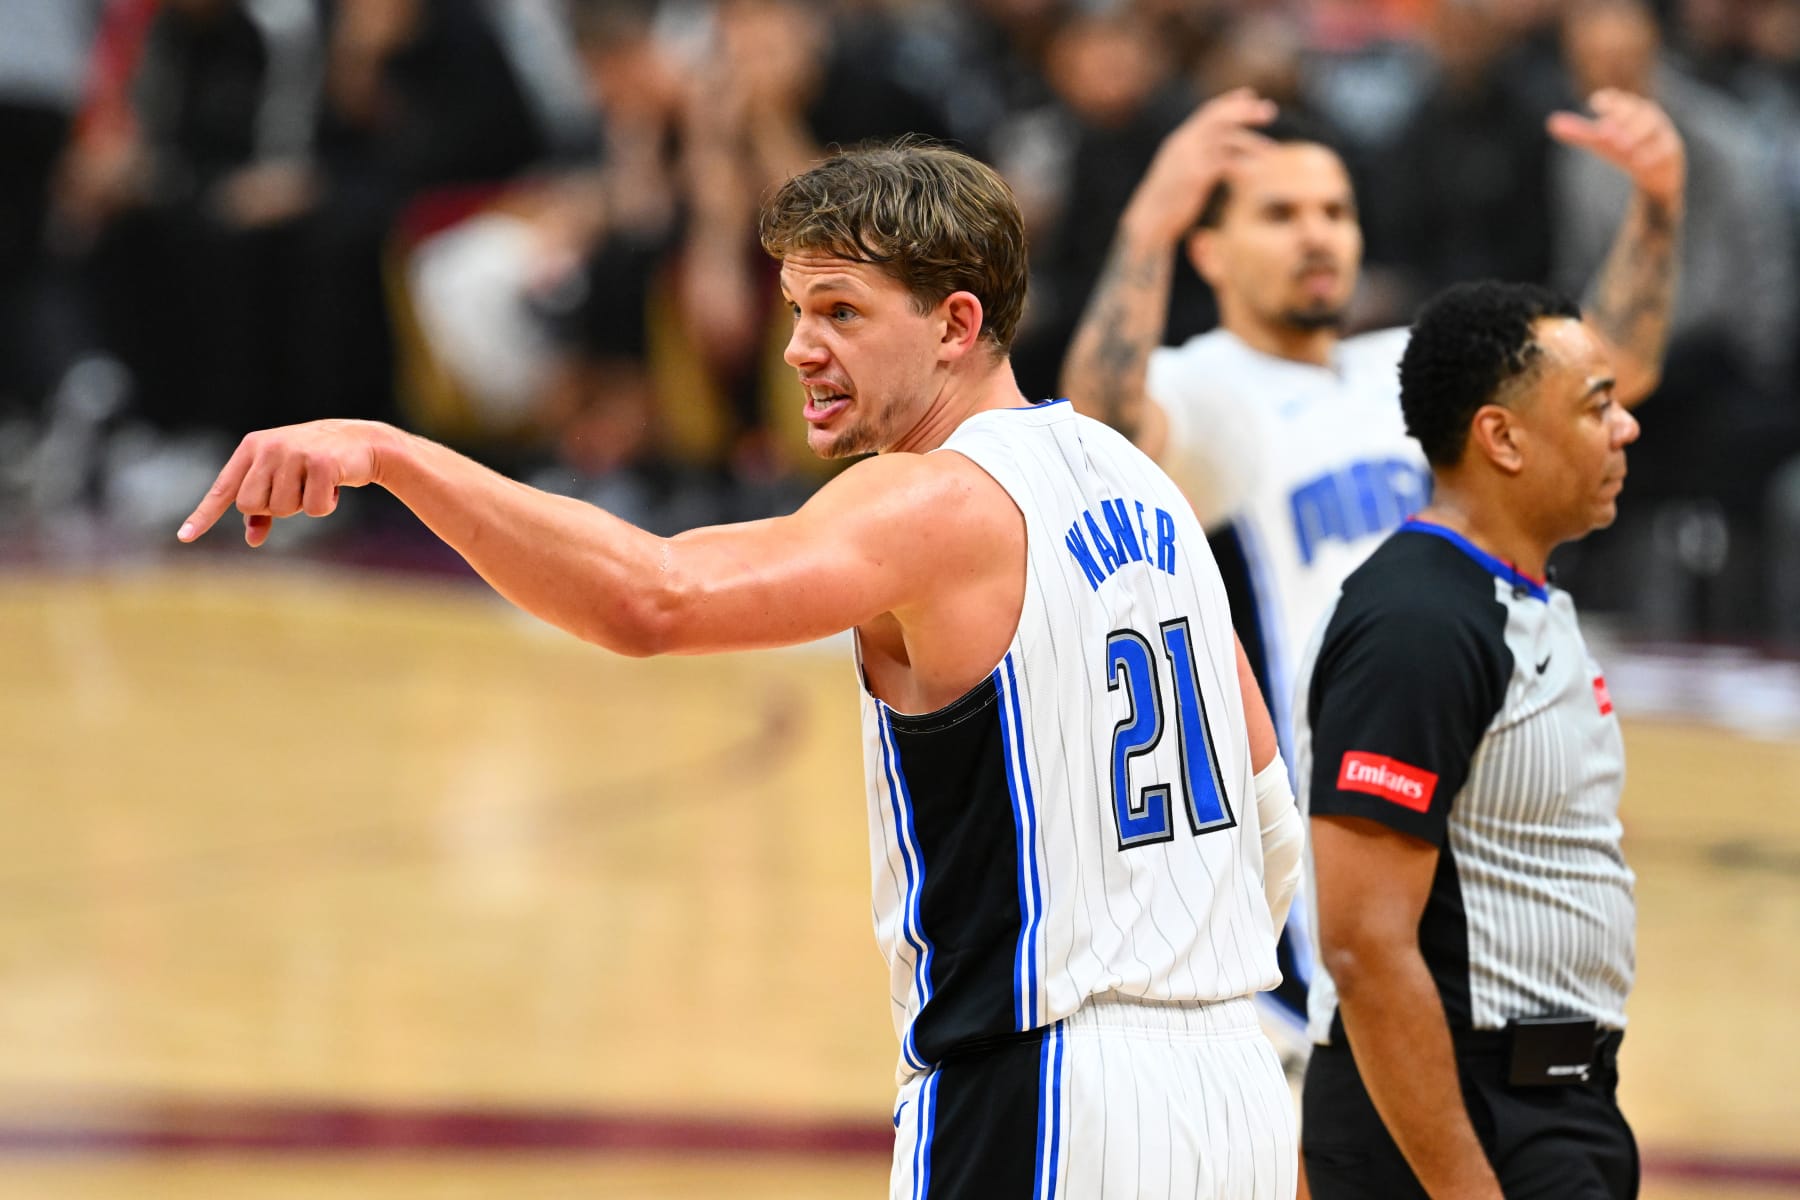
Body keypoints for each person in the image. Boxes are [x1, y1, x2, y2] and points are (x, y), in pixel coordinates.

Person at [178, 140, 1307, 1199]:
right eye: (798, 310)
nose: (799, 349)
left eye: (841, 313)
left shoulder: (929, 498)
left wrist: (397, 454)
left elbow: (652, 597)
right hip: (1235, 1087)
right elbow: (1269, 814)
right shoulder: (1139, 480)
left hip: (1051, 1091)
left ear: (957, 324)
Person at [1058, 84, 1683, 1053]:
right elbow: (1100, 417)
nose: (1318, 236)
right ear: (1209, 250)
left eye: (1335, 212)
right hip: (1324, 845)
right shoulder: (1204, 386)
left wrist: (1656, 206)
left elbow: (1615, 371)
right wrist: (1148, 216)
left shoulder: (1412, 370)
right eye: (1280, 214)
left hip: (1478, 823)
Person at [1295, 280, 1642, 1198]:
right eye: (1597, 404)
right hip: (1466, 1120)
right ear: (1502, 437)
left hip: (1547, 1109)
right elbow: (1364, 943)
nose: (1627, 427)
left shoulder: (1515, 599)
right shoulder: (1420, 621)